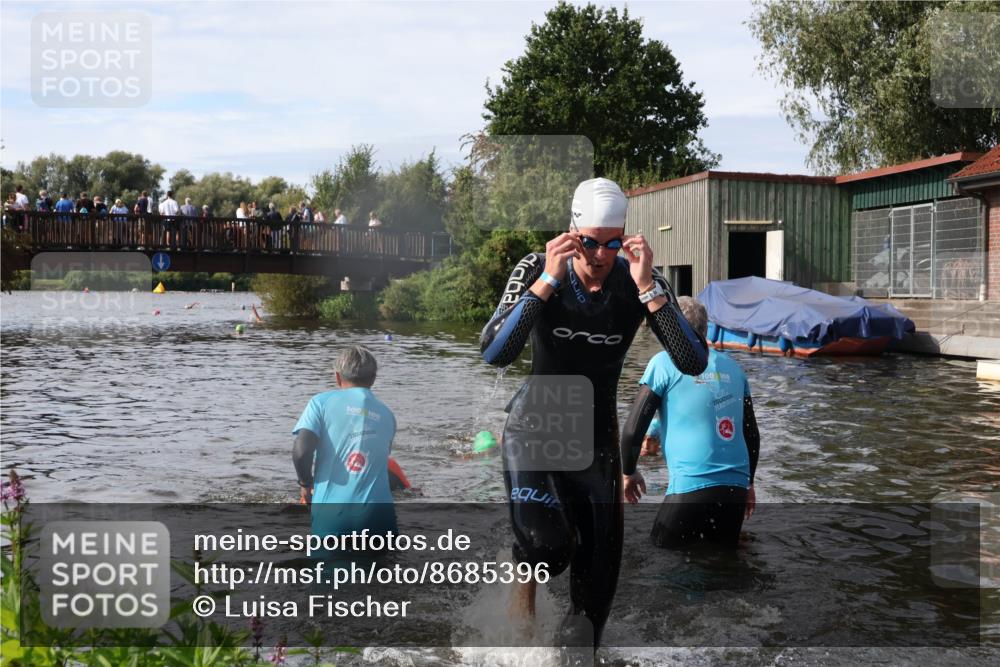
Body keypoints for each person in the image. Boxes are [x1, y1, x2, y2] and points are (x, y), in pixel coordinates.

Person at [480, 177, 708, 650]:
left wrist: (648, 288)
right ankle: (522, 589)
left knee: (590, 622)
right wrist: (545, 282)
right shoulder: (537, 268)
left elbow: (693, 361)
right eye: (589, 243)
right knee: (548, 550)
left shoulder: (638, 278)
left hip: (596, 440)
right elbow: (495, 352)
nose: (601, 256)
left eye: (612, 244)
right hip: (537, 425)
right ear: (571, 233)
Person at [620, 296, 760, 548]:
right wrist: (748, 484)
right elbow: (751, 434)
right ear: (705, 329)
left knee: (660, 562)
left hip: (690, 488)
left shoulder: (664, 363)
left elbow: (631, 430)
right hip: (736, 491)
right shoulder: (734, 369)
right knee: (722, 570)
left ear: (671, 327)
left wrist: (628, 472)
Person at [292, 346, 398, 539]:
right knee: (381, 569)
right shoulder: (388, 415)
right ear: (373, 379)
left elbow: (301, 451)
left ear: (337, 377)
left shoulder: (320, 403)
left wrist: (306, 484)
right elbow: (380, 464)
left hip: (333, 518)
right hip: (381, 520)